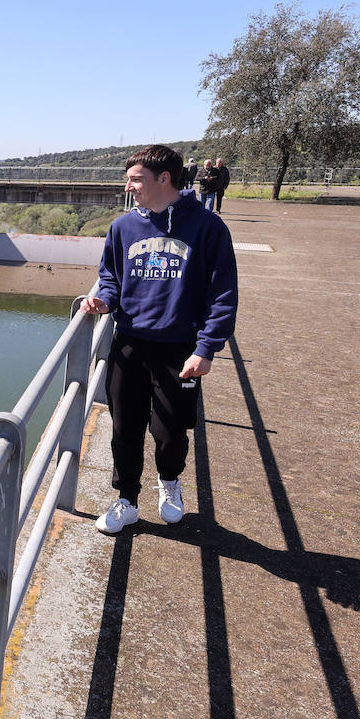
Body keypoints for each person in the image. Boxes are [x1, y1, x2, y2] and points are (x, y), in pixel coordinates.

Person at [80, 145, 238, 534]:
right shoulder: (123, 227)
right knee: (124, 428)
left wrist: (207, 349)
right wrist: (104, 300)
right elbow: (112, 276)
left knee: (170, 432)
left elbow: (223, 293)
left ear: (163, 178)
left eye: (135, 180)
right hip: (130, 343)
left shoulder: (207, 228)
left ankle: (169, 483)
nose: (129, 187)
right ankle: (127, 499)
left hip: (179, 349)